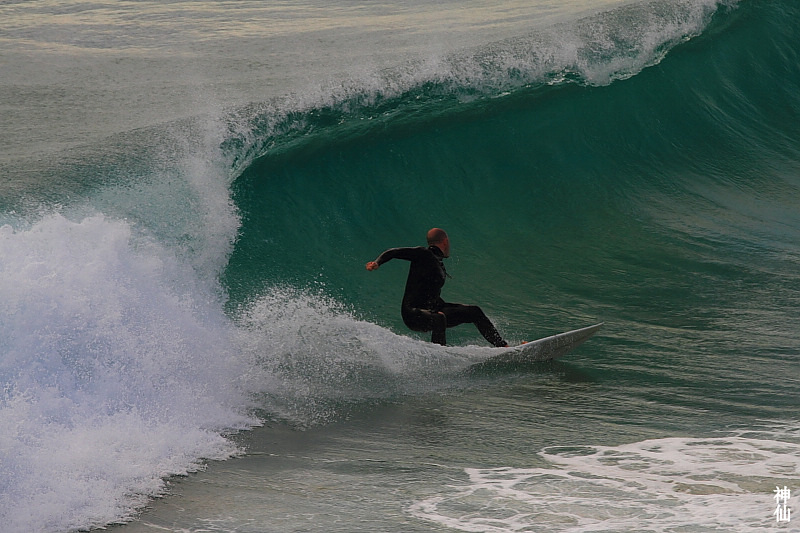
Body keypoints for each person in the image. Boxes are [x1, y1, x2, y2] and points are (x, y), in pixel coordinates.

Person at [366, 228, 508, 347]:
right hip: (412, 313)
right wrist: (377, 263)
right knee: (439, 319)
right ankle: (439, 357)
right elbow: (394, 251)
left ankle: (503, 347)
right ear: (445, 241)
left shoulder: (437, 261)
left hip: (433, 309)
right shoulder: (423, 254)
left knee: (474, 311)